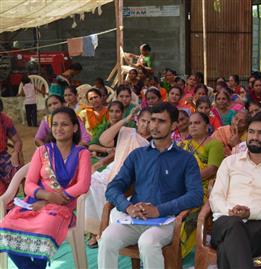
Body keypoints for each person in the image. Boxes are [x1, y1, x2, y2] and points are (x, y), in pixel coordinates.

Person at [98, 103, 203, 268]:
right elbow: (113, 187)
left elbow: (196, 195)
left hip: (166, 221)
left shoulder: (186, 159)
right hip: (135, 218)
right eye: (152, 120)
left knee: (147, 242)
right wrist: (128, 207)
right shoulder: (138, 155)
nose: (154, 125)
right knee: (107, 238)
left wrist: (159, 210)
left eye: (161, 121)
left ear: (174, 125)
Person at [0, 107, 91, 269]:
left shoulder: (82, 153)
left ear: (75, 128)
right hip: (36, 201)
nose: (58, 128)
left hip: (63, 205)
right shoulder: (42, 151)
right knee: (5, 227)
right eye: (55, 124)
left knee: (45, 225)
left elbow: (83, 185)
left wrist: (56, 199)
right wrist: (47, 197)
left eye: (64, 124)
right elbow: (28, 185)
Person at [209, 111, 261, 269]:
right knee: (234, 226)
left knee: (226, 246)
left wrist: (249, 213)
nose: (255, 137)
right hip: (226, 221)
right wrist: (232, 211)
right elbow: (216, 197)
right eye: (251, 132)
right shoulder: (229, 162)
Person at [85, 108, 152, 248]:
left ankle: (107, 231)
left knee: (113, 194)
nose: (145, 125)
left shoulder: (152, 143)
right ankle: (95, 230)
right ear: (137, 121)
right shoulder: (126, 131)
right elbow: (104, 140)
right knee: (90, 184)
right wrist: (125, 120)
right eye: (143, 121)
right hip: (113, 170)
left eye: (149, 122)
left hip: (130, 178)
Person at [178, 112, 224, 256]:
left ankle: (178, 252)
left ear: (207, 126)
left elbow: (212, 170)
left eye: (197, 123)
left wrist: (187, 181)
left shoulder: (214, 143)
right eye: (190, 123)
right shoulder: (182, 144)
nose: (192, 126)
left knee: (185, 215)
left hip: (203, 190)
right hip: (179, 188)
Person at [88, 101, 125, 172]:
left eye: (117, 111)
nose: (114, 114)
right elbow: (91, 146)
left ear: (122, 113)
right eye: (111, 111)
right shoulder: (105, 126)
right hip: (100, 157)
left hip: (117, 160)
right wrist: (106, 149)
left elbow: (121, 150)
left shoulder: (127, 127)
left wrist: (100, 163)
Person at [0, 98, 23, 195]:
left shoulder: (4, 120)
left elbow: (17, 141)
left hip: (2, 156)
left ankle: (10, 200)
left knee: (19, 172)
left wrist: (15, 153)